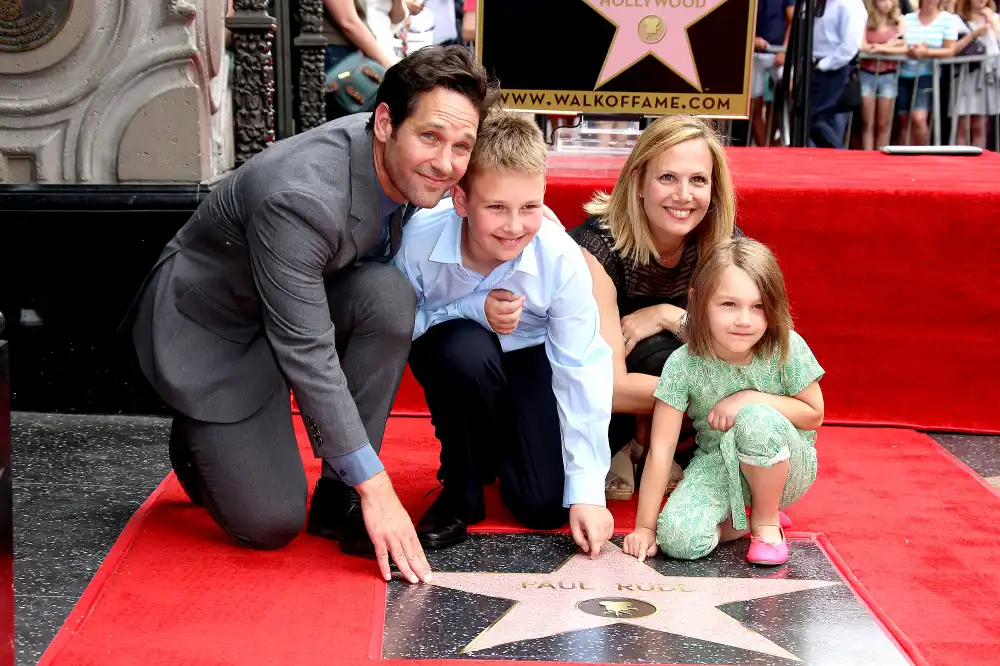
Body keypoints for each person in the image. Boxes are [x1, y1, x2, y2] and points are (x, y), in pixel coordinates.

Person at [126, 45, 499, 585]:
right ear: (386, 122)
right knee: (270, 524)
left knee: (387, 297)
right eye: (430, 137)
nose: (445, 163)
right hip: (215, 331)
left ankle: (337, 494)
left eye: (461, 146)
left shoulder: (404, 162)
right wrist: (381, 487)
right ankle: (197, 435)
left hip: (301, 298)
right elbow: (308, 348)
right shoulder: (300, 196)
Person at [393, 109, 616, 555]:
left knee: (545, 506)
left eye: (530, 207)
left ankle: (498, 447)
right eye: (496, 207)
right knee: (466, 351)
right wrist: (473, 308)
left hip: (528, 357)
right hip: (453, 356)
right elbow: (397, 328)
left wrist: (588, 492)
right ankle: (460, 486)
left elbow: (581, 366)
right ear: (460, 201)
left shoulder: (560, 258)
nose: (515, 227)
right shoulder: (419, 240)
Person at [623, 238, 825, 566]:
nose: (744, 319)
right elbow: (661, 448)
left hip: (786, 466)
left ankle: (766, 522)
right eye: (729, 304)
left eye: (758, 306)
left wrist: (749, 398)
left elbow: (814, 414)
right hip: (718, 464)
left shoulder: (785, 345)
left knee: (757, 417)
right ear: (698, 302)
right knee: (676, 538)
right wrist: (645, 527)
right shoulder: (683, 362)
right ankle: (740, 522)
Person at [568, 115, 738, 504]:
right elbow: (609, 388)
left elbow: (748, 352)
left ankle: (655, 451)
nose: (684, 194)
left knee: (670, 347)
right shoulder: (597, 247)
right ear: (639, 183)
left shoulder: (723, 243)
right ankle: (622, 446)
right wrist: (729, 400)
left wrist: (669, 315)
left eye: (698, 180)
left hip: (674, 404)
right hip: (595, 406)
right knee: (658, 353)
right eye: (667, 178)